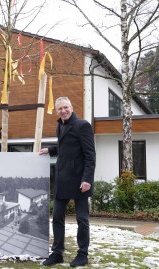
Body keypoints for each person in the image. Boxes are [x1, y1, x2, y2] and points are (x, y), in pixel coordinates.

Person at [40, 97, 96, 267]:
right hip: (62, 178)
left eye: (65, 107)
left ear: (71, 107)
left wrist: (87, 179)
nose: (63, 111)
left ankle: (82, 254)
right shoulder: (60, 125)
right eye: (60, 109)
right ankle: (57, 253)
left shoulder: (82, 125)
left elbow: (90, 155)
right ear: (56, 111)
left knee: (82, 219)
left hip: (79, 180)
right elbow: (65, 147)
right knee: (57, 217)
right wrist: (50, 150)